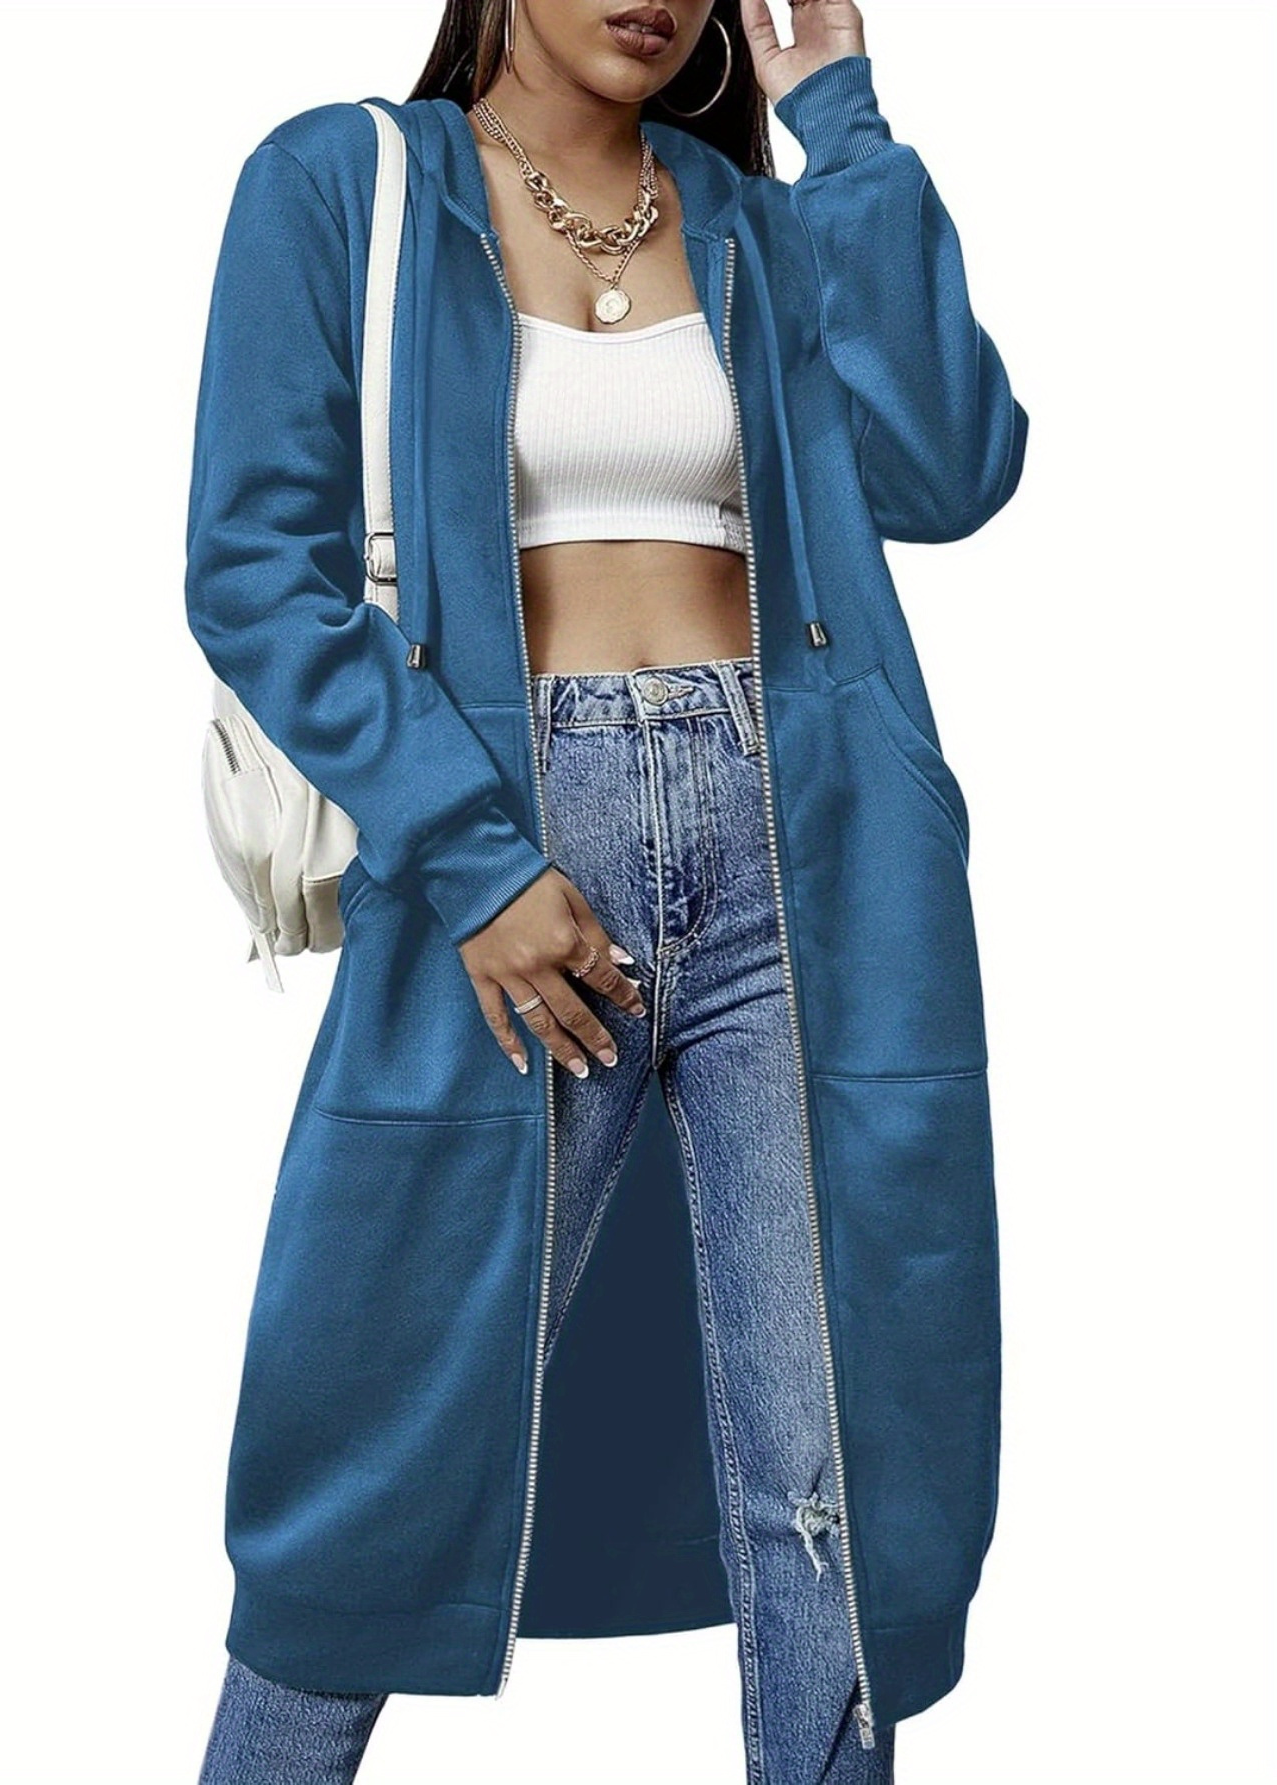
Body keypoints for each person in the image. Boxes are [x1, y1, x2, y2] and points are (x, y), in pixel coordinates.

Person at [186, 1, 1028, 1781]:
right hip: (502, 840)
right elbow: (255, 563)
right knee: (375, 1438)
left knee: (827, 1467)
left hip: (804, 854)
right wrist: (476, 856)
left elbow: (951, 466)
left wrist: (845, 126)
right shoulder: (341, 184)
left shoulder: (756, 223)